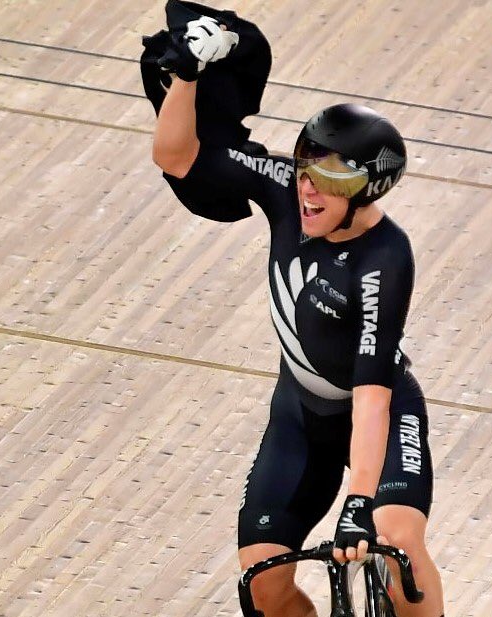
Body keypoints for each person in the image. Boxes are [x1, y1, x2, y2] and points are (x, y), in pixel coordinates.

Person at [150, 13, 445, 617]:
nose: (308, 190)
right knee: (263, 583)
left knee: (398, 547)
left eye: (329, 182)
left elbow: (372, 400)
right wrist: (185, 78)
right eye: (307, 171)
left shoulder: (385, 259)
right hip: (300, 416)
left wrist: (358, 502)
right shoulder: (286, 186)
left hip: (381, 412)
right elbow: (175, 156)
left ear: (367, 191)